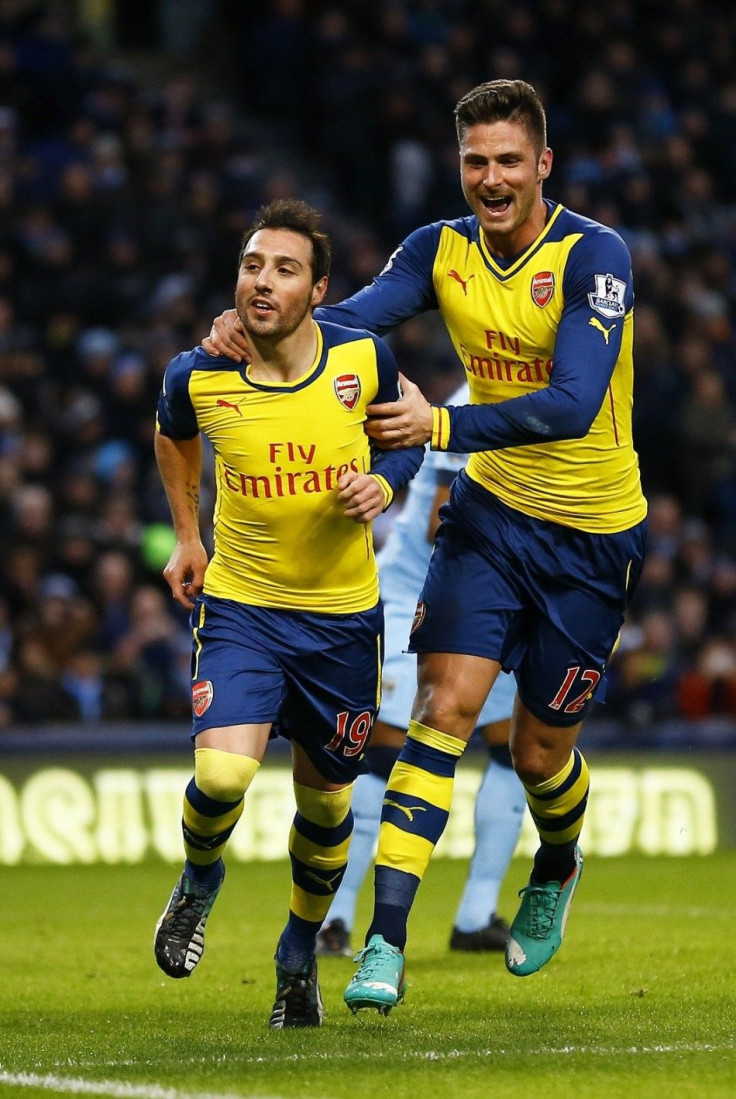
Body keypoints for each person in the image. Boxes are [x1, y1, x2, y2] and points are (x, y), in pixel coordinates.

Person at [205, 79, 648, 1017]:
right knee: (443, 709)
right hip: (488, 518)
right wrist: (254, 326)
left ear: (543, 166)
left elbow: (572, 402)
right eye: (475, 162)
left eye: (508, 162)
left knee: (536, 755)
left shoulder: (594, 255)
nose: (491, 179)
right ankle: (385, 944)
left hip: (593, 536)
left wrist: (441, 423)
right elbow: (354, 319)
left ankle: (557, 864)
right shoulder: (437, 250)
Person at [153, 197, 423, 1029]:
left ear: (319, 290)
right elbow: (173, 433)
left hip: (343, 623)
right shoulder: (198, 371)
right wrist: (187, 536)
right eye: (252, 265)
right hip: (243, 609)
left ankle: (297, 956)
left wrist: (386, 480)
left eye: (284, 269)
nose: (262, 281)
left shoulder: (362, 359)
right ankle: (201, 877)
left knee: (328, 810)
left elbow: (410, 432)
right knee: (223, 774)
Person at [315, 381, 525, 959]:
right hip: (420, 593)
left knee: (509, 747)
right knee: (385, 750)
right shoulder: (478, 396)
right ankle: (334, 918)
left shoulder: (560, 390)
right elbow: (440, 522)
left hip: (500, 593)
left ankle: (476, 915)